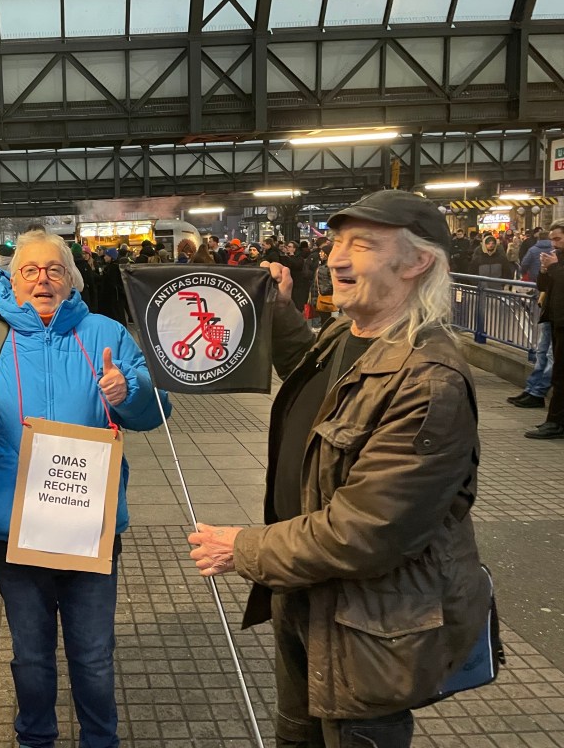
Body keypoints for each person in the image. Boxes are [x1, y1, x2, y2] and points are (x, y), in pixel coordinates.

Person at [187, 189, 490, 748]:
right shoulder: (347, 336)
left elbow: (370, 531)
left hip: (369, 624)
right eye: (336, 242)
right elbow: (317, 387)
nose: (335, 258)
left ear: (417, 262)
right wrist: (278, 313)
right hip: (306, 592)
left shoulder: (428, 380)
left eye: (362, 245)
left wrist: (244, 549)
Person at [0, 229, 170, 748]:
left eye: (54, 269)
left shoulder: (105, 333)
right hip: (14, 525)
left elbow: (157, 411)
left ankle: (100, 741)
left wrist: (130, 392)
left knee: (94, 655)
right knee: (30, 655)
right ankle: (35, 739)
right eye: (30, 270)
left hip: (89, 523)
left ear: (71, 279)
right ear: (12, 283)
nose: (43, 279)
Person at [524, 220, 564, 440]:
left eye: (558, 238)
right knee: (558, 374)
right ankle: (555, 420)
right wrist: (544, 269)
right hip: (556, 320)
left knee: (560, 375)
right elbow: (544, 286)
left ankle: (556, 422)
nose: (554, 243)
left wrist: (555, 267)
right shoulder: (557, 259)